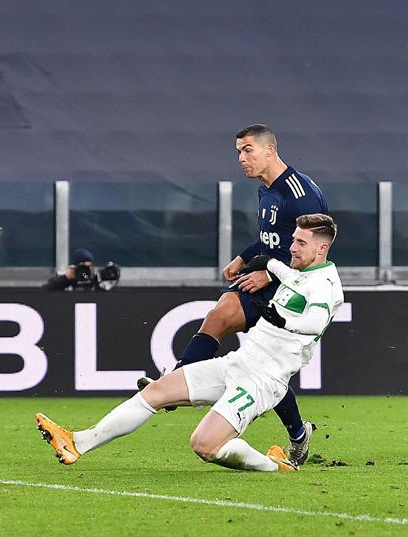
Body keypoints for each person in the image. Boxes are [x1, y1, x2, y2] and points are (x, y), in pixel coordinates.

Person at [37, 214, 342, 472]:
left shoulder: (326, 285)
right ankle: (77, 442)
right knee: (156, 391)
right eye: (293, 240)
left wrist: (282, 320)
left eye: (301, 243)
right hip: (238, 362)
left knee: (204, 445)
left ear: (322, 248)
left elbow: (315, 322)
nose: (293, 247)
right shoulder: (302, 272)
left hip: (263, 381)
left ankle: (274, 466)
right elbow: (290, 277)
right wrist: (269, 263)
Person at [138, 124, 328, 466]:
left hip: (290, 290)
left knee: (265, 369)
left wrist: (267, 272)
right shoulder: (266, 190)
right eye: (239, 151)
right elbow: (271, 239)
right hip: (265, 277)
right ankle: (174, 382)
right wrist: (243, 257)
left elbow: (313, 250)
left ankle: (299, 434)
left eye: (248, 150)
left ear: (270, 150)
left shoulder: (300, 194)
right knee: (220, 314)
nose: (241, 158)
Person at [43, 248, 119, 291]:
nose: (85, 271)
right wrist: (66, 278)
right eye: (83, 267)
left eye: (90, 266)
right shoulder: (65, 281)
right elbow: (43, 293)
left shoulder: (97, 281)